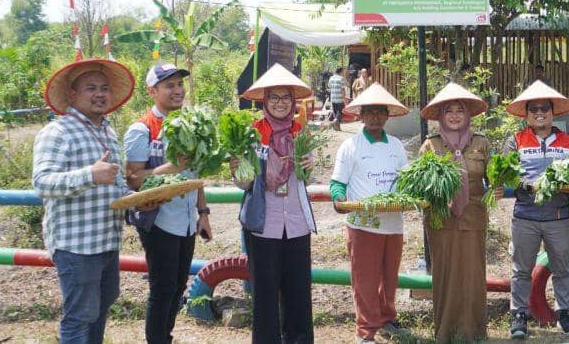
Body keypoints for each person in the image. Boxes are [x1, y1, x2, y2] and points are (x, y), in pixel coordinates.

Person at [32, 59, 136, 343]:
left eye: (104, 88)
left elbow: (114, 185)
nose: (99, 93)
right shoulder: (58, 132)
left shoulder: (108, 132)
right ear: (72, 95)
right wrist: (89, 174)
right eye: (90, 88)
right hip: (76, 245)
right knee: (79, 316)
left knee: (100, 308)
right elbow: (42, 183)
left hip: (106, 241)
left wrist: (136, 200)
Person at [124, 63, 213, 344]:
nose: (177, 90)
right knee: (162, 288)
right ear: (153, 91)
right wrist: (170, 168)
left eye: (179, 84)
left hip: (187, 219)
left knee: (178, 287)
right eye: (169, 85)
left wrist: (203, 212)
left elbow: (194, 174)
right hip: (158, 219)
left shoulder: (190, 122)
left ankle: (166, 337)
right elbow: (133, 179)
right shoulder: (142, 129)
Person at [233, 64, 317, 344]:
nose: (280, 103)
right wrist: (239, 169)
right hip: (263, 225)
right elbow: (244, 185)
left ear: (293, 102)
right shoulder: (252, 134)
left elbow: (307, 176)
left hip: (296, 223)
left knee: (298, 292)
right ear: (265, 101)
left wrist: (309, 164)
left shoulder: (301, 131)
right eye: (274, 98)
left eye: (285, 98)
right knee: (265, 294)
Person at [419, 82, 502, 343]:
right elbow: (420, 182)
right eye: (449, 111)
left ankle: (472, 331)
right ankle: (445, 332)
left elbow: (496, 177)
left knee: (472, 274)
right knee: (444, 274)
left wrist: (498, 188)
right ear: (441, 116)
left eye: (460, 110)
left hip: (473, 218)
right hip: (439, 219)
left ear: (468, 115)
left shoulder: (481, 144)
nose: (454, 115)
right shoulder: (430, 146)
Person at [330, 84, 411, 344]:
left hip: (393, 222)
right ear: (361, 115)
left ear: (387, 115)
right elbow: (337, 183)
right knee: (364, 278)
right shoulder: (350, 146)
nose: (375, 116)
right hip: (362, 223)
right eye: (370, 112)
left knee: (389, 276)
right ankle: (366, 330)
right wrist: (338, 198)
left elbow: (407, 179)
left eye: (380, 111)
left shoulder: (397, 146)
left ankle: (387, 318)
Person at [503, 80, 569, 338]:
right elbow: (506, 177)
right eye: (533, 109)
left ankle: (565, 314)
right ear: (526, 114)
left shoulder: (568, 142)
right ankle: (519, 317)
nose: (539, 113)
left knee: (562, 267)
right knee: (521, 269)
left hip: (558, 216)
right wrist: (527, 187)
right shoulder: (515, 141)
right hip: (525, 216)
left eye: (544, 108)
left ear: (552, 111)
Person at [329, 66, 347, 131]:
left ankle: (337, 127)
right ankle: (335, 121)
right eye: (344, 71)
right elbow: (343, 89)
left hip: (333, 98)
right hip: (339, 98)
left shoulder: (331, 78)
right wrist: (344, 99)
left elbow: (329, 87)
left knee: (335, 112)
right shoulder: (341, 79)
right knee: (340, 112)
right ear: (341, 71)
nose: (344, 73)